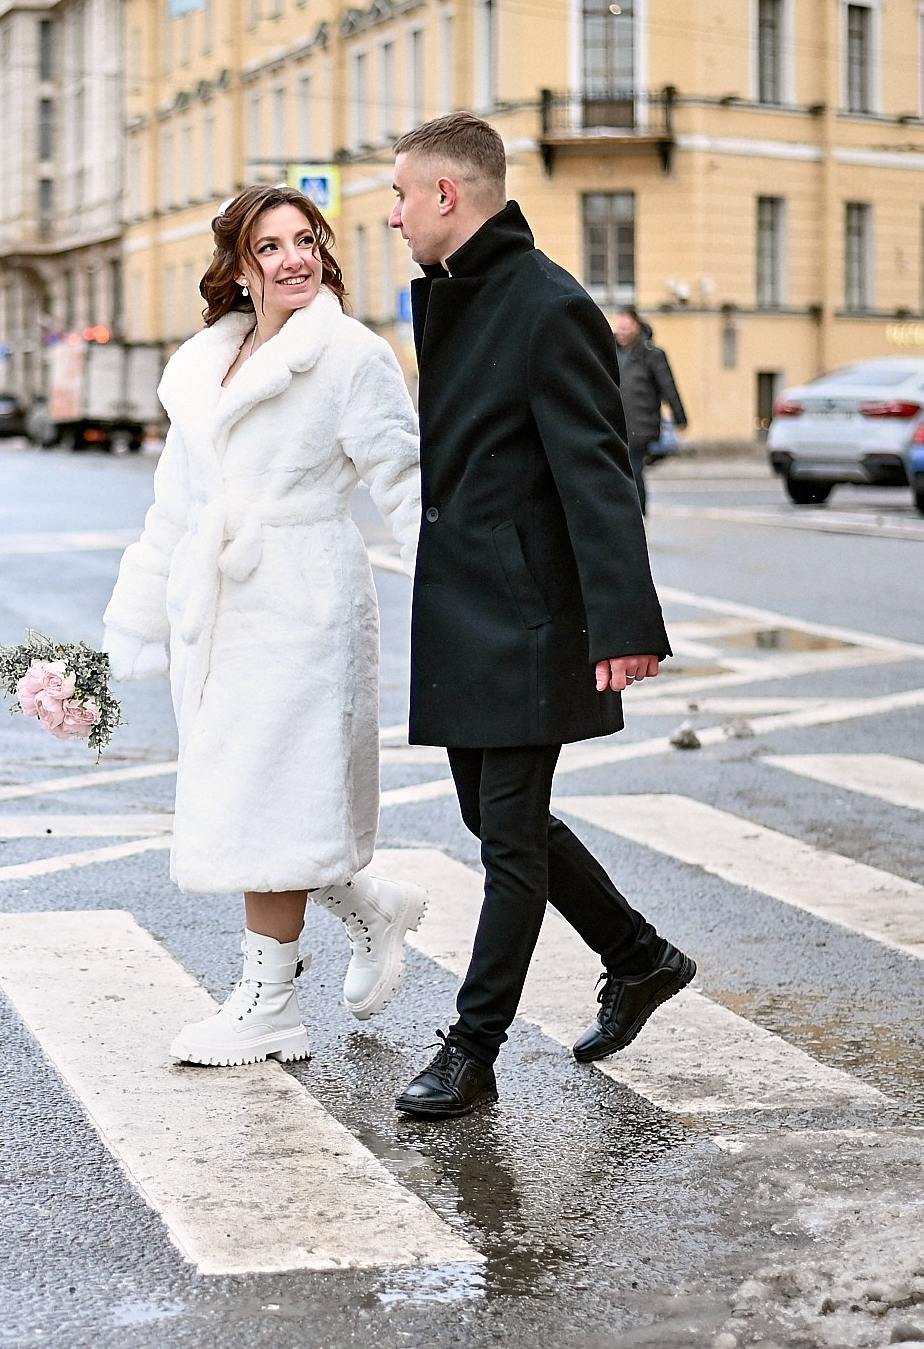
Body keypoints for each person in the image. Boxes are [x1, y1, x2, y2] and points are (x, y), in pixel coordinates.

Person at [386, 112, 695, 1120]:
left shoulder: (545, 303)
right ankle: (637, 956)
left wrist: (623, 623)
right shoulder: (457, 293)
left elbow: (596, 473)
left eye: (399, 196)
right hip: (467, 605)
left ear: (446, 195)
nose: (390, 217)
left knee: (506, 842)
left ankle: (471, 1051)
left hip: (523, 613)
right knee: (490, 816)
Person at [102, 184, 429, 1068]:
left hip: (302, 601)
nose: (294, 259)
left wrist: (463, 590)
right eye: (271, 247)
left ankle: (270, 1002)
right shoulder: (208, 366)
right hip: (218, 608)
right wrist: (133, 622)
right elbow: (177, 506)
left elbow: (405, 483)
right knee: (259, 794)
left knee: (272, 792)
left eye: (305, 241)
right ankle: (370, 907)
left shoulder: (352, 358)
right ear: (239, 271)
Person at [612, 309, 688, 514]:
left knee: (633, 469)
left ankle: (638, 516)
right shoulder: (610, 351)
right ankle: (627, 514)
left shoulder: (652, 355)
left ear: (636, 327)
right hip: (616, 424)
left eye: (626, 328)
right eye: (619, 327)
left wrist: (680, 417)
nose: (621, 332)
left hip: (640, 424)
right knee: (621, 471)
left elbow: (668, 387)